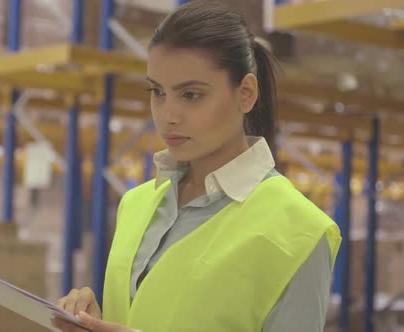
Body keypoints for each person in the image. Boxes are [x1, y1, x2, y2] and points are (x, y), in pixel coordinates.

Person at [52, 1, 342, 331]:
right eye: (157, 91)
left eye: (191, 95)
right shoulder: (137, 205)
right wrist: (93, 319)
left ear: (245, 94)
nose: (167, 115)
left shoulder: (300, 232)